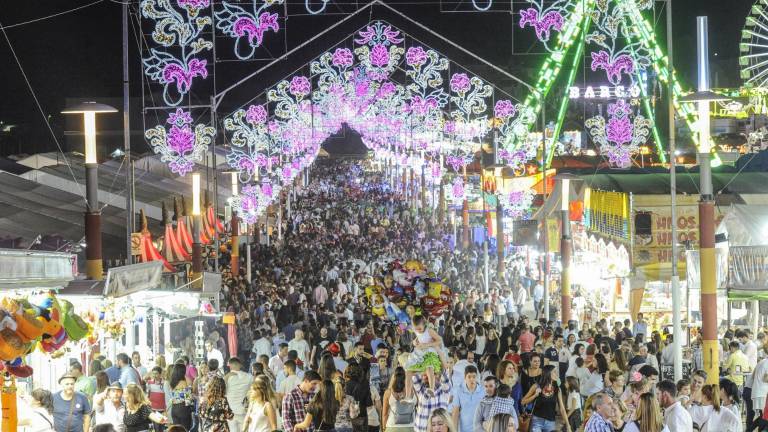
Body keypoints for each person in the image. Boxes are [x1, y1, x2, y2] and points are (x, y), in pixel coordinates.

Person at [520, 365, 571, 432]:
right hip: (537, 421)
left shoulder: (557, 389)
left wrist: (568, 425)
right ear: (548, 373)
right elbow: (523, 401)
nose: (557, 374)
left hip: (550, 422)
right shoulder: (536, 386)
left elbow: (562, 408)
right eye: (554, 372)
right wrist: (535, 395)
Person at [450, 365, 484, 432]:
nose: (472, 379)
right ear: (465, 378)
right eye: (469, 377)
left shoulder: (483, 391)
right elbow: (455, 413)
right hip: (465, 429)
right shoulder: (459, 391)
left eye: (474, 377)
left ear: (477, 377)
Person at [225, 357, 254, 432]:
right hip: (243, 410)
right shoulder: (249, 377)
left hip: (230, 411)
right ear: (240, 365)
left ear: (230, 365)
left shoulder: (227, 378)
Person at [168, 363, 194, 431]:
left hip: (174, 408)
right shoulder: (184, 382)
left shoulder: (172, 382)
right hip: (183, 408)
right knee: (184, 429)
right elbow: (188, 399)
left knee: (176, 429)